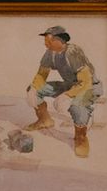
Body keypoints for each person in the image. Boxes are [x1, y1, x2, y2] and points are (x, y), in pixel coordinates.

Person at [27, 25, 101, 157]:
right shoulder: (50, 53)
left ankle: (80, 137)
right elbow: (42, 74)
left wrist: (66, 96)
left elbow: (85, 81)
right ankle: (44, 120)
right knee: (35, 90)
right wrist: (33, 88)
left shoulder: (73, 52)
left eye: (49, 41)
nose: (46, 44)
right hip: (70, 85)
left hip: (89, 87)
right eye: (45, 41)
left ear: (59, 40)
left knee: (77, 107)